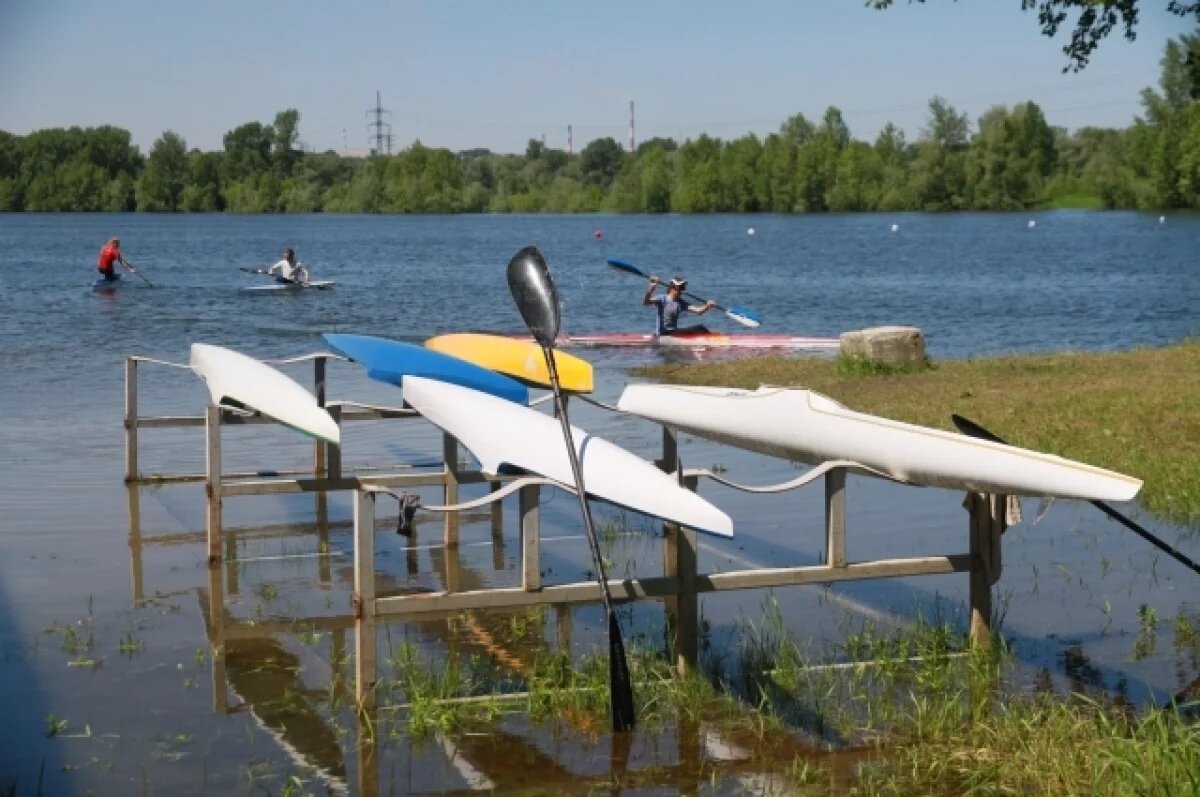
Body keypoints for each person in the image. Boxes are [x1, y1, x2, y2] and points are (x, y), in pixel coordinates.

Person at [643, 276, 715, 335]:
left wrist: (708, 306)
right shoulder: (663, 298)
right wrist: (651, 288)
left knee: (701, 328)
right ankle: (713, 341)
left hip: (674, 332)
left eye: (683, 288)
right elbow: (646, 302)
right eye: (681, 288)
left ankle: (712, 339)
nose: (683, 290)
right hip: (663, 334)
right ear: (673, 288)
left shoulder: (681, 302)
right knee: (700, 328)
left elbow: (698, 311)